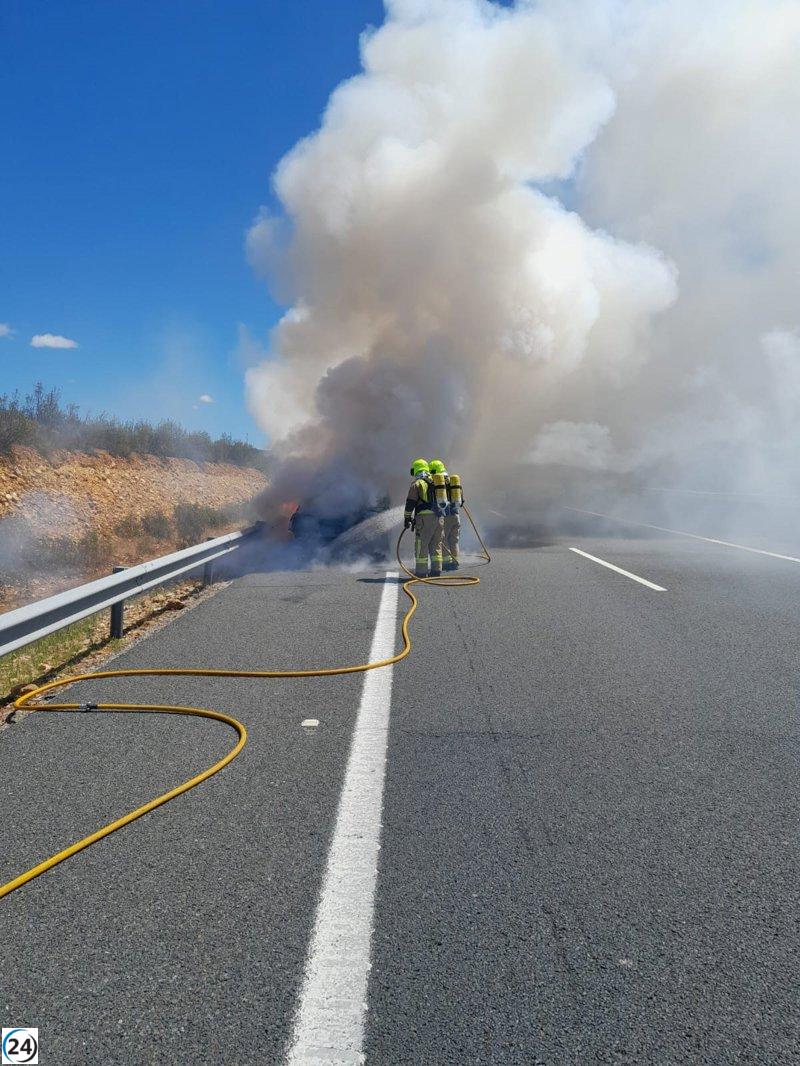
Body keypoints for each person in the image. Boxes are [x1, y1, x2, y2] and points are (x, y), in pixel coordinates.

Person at [404, 458, 444, 578]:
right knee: (436, 544)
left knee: (422, 545)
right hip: (439, 517)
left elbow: (410, 502)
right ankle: (436, 571)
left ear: (415, 470)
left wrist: (407, 518)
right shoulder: (434, 481)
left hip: (424, 519)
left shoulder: (417, 484)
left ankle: (421, 572)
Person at [429, 459, 462, 571]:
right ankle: (455, 562)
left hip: (446, 516)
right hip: (456, 515)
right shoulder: (453, 481)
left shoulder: (438, 483)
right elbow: (461, 500)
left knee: (444, 539)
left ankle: (447, 563)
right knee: (454, 540)